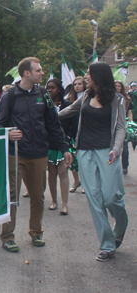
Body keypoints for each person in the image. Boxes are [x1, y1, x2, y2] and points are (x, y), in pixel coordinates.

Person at [0, 57, 71, 252]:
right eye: (38, 70)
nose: (42, 73)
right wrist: (8, 134)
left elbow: (53, 124)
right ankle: (7, 236)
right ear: (27, 73)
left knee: (38, 196)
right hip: (15, 154)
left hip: (39, 155)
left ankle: (36, 232)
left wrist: (65, 148)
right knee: (12, 197)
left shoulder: (44, 95)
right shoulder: (9, 96)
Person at [59, 63, 128, 262]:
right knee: (95, 199)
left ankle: (121, 225)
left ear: (98, 76)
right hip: (84, 151)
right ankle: (107, 245)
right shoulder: (86, 96)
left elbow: (121, 128)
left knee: (111, 197)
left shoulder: (117, 100)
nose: (85, 76)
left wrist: (116, 149)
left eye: (88, 73)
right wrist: (44, 118)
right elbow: (68, 112)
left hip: (108, 152)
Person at [45, 79, 77, 215]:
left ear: (59, 89)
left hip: (64, 144)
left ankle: (65, 204)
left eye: (53, 87)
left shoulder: (68, 105)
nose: (50, 90)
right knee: (51, 174)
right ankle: (54, 201)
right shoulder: (44, 105)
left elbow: (74, 125)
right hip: (48, 144)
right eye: (48, 88)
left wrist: (70, 139)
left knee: (63, 173)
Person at [66, 76, 87, 193]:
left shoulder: (89, 97)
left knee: (84, 159)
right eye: (75, 84)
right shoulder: (69, 100)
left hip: (85, 132)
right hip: (73, 133)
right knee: (73, 159)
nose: (77, 86)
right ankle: (76, 180)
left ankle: (84, 182)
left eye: (79, 84)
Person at [115, 80, 133, 175]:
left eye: (119, 86)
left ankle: (125, 166)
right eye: (115, 86)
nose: (117, 87)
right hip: (113, 126)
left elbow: (130, 113)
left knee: (125, 149)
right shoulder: (110, 98)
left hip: (123, 125)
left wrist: (130, 123)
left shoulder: (126, 99)